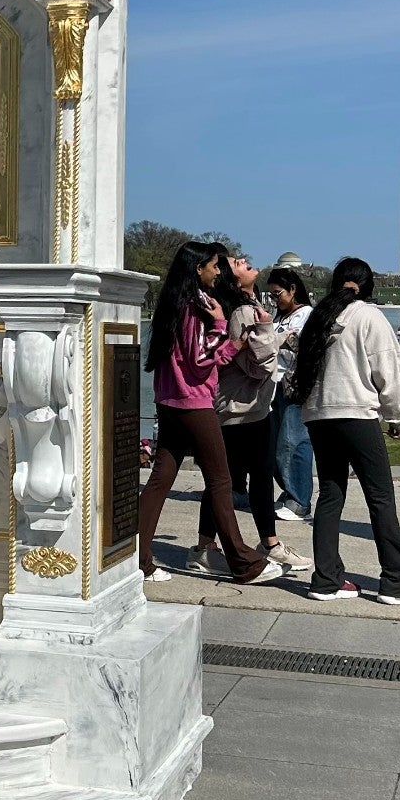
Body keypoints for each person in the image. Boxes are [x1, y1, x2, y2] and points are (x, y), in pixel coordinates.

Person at [136, 241, 283, 586]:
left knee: (160, 479)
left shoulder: (173, 303)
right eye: (214, 266)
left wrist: (228, 340)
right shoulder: (195, 306)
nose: (219, 272)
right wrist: (221, 327)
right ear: (198, 268)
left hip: (169, 400)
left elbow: (193, 357)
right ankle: (243, 562)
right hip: (193, 402)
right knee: (220, 480)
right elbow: (201, 361)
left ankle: (138, 558)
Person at [292, 257, 400, 604]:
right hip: (355, 414)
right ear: (369, 288)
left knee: (330, 494)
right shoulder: (369, 316)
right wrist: (396, 417)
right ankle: (397, 581)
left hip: (318, 414)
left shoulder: (319, 318)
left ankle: (326, 579)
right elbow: (388, 373)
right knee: (380, 497)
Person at [191, 253, 311, 574]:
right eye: (237, 263)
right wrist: (272, 332)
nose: (245, 260)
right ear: (233, 278)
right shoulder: (241, 311)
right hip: (240, 408)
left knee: (250, 478)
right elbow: (259, 366)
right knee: (228, 481)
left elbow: (258, 347)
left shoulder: (248, 304)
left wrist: (277, 336)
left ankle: (264, 543)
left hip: (248, 407)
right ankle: (209, 547)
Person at [265, 268, 315, 521]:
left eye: (278, 294)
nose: (275, 300)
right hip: (273, 385)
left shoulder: (307, 315)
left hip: (293, 386)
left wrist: (282, 340)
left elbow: (310, 350)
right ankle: (289, 492)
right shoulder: (279, 316)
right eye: (271, 295)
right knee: (276, 445)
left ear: (293, 289)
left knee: (294, 442)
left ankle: (300, 501)